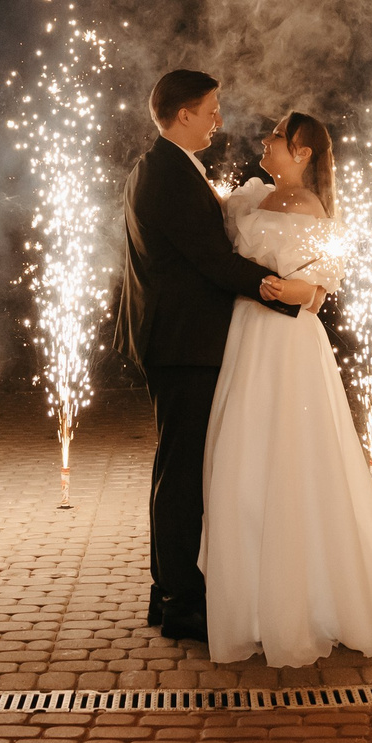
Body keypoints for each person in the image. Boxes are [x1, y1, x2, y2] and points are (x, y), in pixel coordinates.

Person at [202, 112, 372, 665]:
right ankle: (249, 598)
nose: (266, 142)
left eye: (277, 136)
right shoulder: (253, 198)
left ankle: (303, 597)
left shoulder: (314, 211)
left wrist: (302, 287)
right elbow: (222, 221)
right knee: (243, 457)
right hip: (246, 336)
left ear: (301, 152)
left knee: (293, 456)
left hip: (286, 342)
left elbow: (321, 285)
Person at [114, 70, 303, 643]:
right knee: (182, 474)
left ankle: (165, 588)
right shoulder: (167, 174)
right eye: (212, 109)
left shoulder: (166, 168)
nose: (220, 120)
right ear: (184, 113)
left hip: (175, 338)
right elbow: (212, 261)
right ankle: (179, 602)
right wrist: (283, 289)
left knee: (176, 468)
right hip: (182, 342)